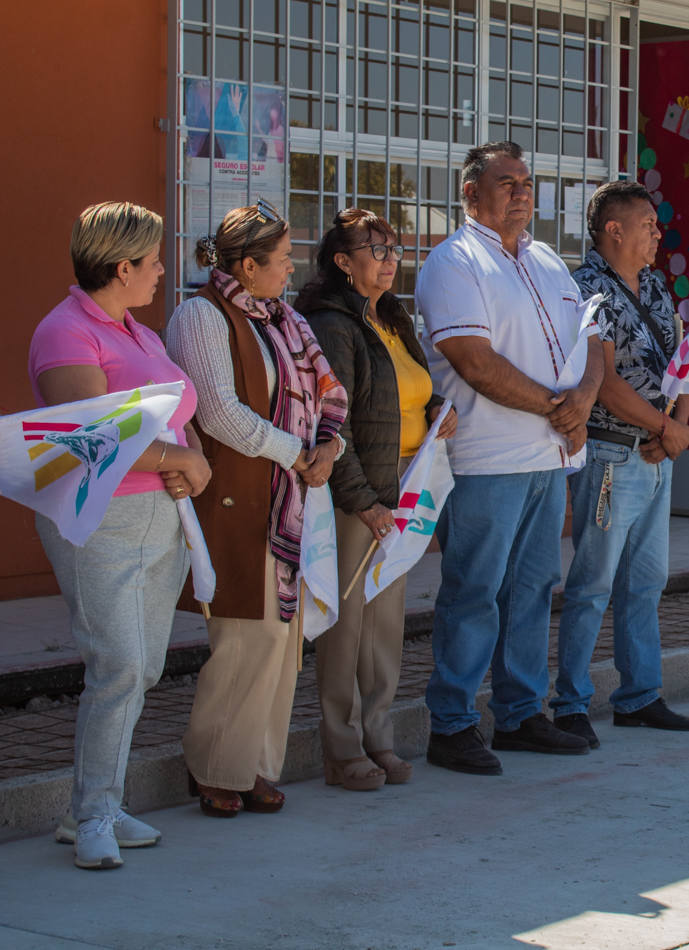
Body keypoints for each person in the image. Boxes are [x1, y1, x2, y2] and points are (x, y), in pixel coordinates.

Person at [30, 202, 210, 869]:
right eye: (155, 260)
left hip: (160, 517)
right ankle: (93, 812)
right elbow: (87, 437)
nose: (164, 270)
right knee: (120, 665)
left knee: (146, 665)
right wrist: (178, 460)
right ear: (123, 265)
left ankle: (100, 806)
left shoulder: (137, 332)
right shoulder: (66, 332)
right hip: (97, 520)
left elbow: (172, 415)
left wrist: (189, 461)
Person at [415, 142, 603, 772]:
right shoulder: (454, 262)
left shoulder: (548, 260)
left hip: (549, 458)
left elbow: (592, 342)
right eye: (506, 183)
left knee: (531, 588)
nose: (522, 193)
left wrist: (583, 400)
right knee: (474, 591)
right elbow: (474, 362)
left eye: (527, 182)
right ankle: (453, 723)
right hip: (486, 458)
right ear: (471, 194)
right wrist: (561, 407)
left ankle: (521, 714)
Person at [166, 201, 348, 818]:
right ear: (246, 266)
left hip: (286, 500)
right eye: (281, 258)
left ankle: (254, 766)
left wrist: (329, 446)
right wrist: (299, 454)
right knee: (246, 635)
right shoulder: (200, 315)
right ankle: (216, 766)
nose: (291, 267)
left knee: (282, 640)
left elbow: (327, 394)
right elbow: (218, 412)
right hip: (236, 499)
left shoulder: (284, 321)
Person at [296, 209, 456, 790]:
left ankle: (379, 740)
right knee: (346, 629)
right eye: (377, 250)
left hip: (402, 492)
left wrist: (437, 405)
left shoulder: (389, 316)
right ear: (343, 262)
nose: (391, 260)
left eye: (394, 250)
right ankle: (341, 747)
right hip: (355, 498)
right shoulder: (332, 324)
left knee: (384, 627)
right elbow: (332, 426)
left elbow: (409, 387)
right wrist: (363, 500)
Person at [550, 182, 689, 745]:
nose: (657, 232)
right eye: (647, 223)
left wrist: (675, 429)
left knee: (646, 583)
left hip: (657, 451)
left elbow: (685, 356)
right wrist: (667, 428)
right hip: (614, 450)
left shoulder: (657, 284)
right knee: (593, 582)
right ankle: (570, 703)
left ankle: (640, 696)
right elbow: (604, 382)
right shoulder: (585, 288)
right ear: (613, 230)